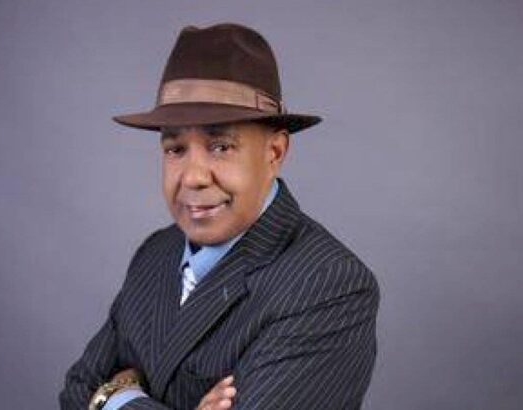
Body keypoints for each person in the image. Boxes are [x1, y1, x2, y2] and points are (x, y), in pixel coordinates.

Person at [59, 23, 379, 410]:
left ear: (274, 153)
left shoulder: (329, 285)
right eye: (175, 149)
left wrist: (114, 396)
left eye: (221, 146)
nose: (193, 177)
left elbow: (91, 396)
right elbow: (76, 390)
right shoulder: (156, 251)